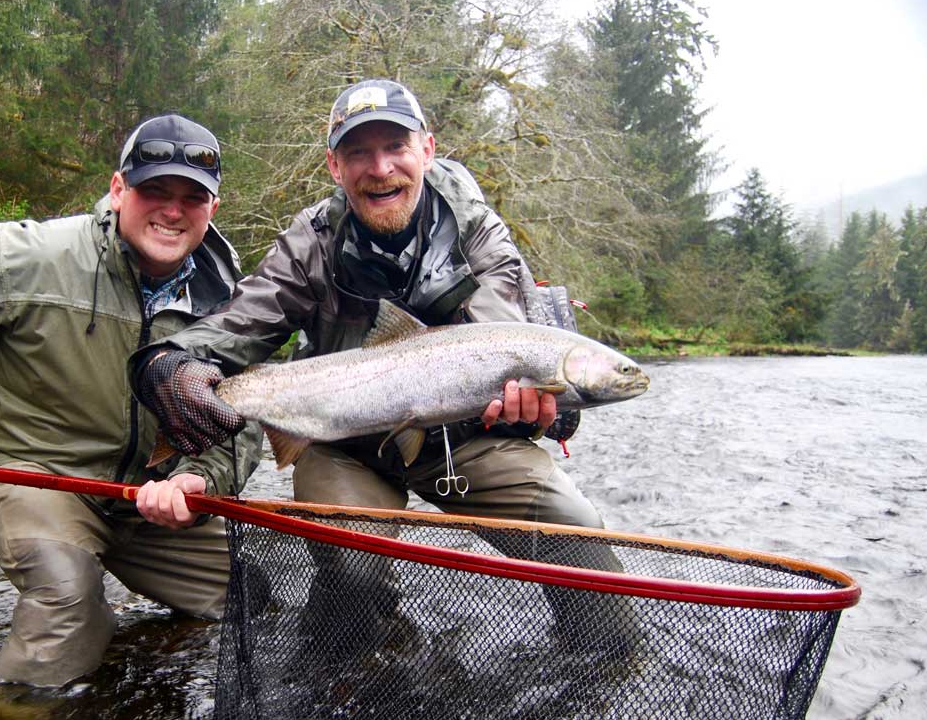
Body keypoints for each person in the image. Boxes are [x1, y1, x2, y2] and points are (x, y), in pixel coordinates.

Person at [132, 80, 633, 654]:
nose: (380, 168)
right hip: (344, 441)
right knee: (352, 564)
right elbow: (247, 318)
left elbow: (502, 334)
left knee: (575, 531)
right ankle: (358, 663)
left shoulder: (476, 231)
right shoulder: (313, 240)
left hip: (466, 436)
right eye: (358, 153)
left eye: (395, 146)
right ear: (334, 166)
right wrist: (175, 362)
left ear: (426, 149)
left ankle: (602, 663)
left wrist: (531, 410)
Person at [0, 113, 262, 689]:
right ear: (118, 189)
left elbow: (242, 420)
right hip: (31, 471)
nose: (172, 210)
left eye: (192, 197)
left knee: (249, 601)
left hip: (147, 495)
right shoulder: (29, 254)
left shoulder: (233, 302)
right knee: (69, 600)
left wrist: (199, 482)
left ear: (213, 207)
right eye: (154, 190)